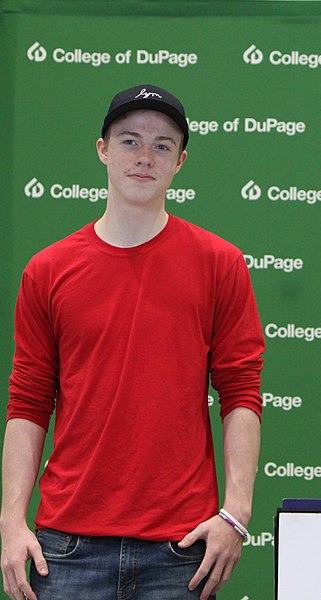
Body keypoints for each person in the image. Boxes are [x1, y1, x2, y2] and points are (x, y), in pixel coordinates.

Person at [0, 84, 265, 600]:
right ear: (102, 149)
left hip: (181, 550)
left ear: (180, 161)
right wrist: (12, 522)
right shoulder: (48, 270)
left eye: (162, 145)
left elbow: (241, 392)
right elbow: (29, 402)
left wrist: (236, 513)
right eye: (129, 141)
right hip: (65, 549)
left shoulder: (220, 264)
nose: (145, 157)